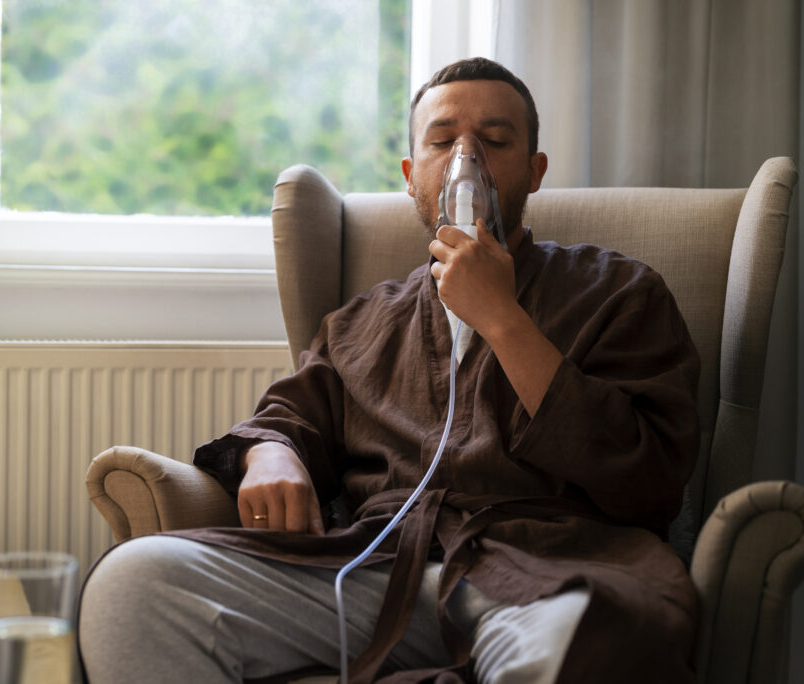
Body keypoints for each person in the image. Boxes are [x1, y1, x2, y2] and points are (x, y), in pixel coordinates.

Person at [78, 57, 701, 684]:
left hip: (550, 578)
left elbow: (649, 478)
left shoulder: (618, 293)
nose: (467, 159)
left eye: (495, 140)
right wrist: (268, 454)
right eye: (442, 140)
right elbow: (285, 419)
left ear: (535, 171)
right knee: (135, 584)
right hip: (378, 574)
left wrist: (504, 321)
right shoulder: (359, 325)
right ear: (411, 175)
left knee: (597, 639)